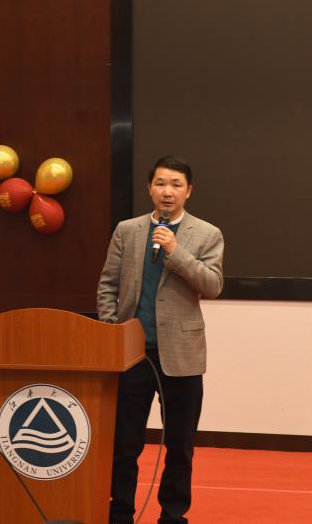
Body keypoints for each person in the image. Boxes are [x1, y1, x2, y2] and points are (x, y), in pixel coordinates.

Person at [97, 155, 224, 524]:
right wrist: (112, 327)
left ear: (189, 191)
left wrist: (174, 250)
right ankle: (120, 512)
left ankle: (173, 514)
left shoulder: (207, 234)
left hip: (181, 354)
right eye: (161, 184)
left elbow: (212, 285)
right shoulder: (128, 230)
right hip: (132, 353)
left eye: (176, 185)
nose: (167, 192)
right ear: (149, 188)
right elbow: (107, 284)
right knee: (124, 443)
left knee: (180, 446)